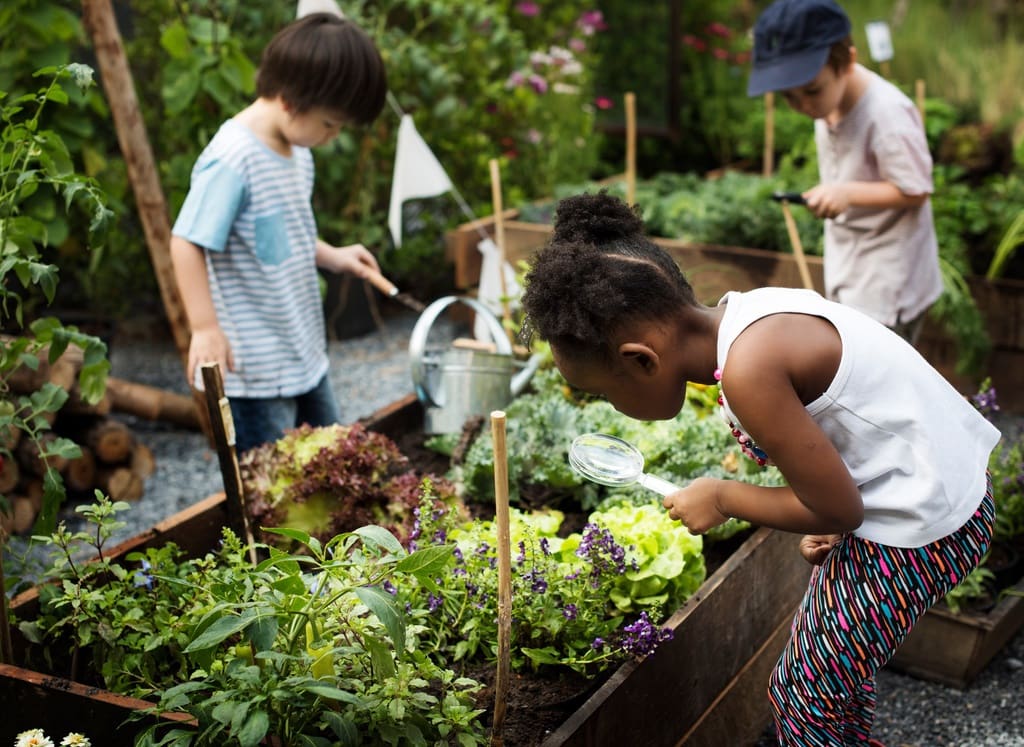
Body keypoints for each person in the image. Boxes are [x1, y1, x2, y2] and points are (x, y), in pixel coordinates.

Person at [519, 191, 1000, 746]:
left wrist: (724, 498)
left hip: (927, 520)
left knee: (803, 695)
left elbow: (839, 504)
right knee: (829, 678)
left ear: (640, 360)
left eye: (603, 393)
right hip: (935, 487)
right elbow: (852, 432)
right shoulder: (746, 316)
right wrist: (834, 518)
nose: (609, 405)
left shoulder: (748, 372)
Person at [170, 13, 388, 452]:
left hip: (300, 349)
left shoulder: (295, 150)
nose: (333, 136)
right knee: (271, 487)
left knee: (330, 457)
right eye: (330, 123)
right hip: (254, 368)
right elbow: (186, 241)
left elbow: (282, 238)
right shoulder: (234, 159)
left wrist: (334, 256)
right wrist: (205, 326)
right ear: (289, 100)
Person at [747, 0, 942, 344]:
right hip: (852, 264)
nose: (804, 106)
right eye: (789, 98)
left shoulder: (887, 115)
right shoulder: (829, 101)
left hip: (888, 279)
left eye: (811, 91)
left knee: (877, 379)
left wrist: (847, 193)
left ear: (847, 62)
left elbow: (917, 189)